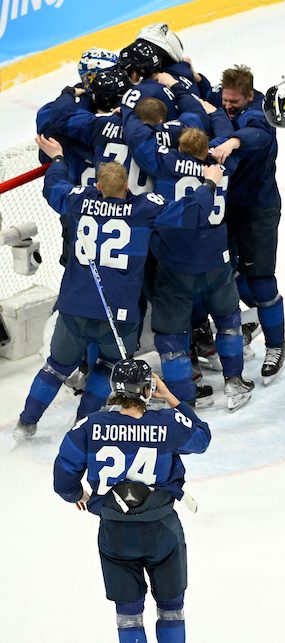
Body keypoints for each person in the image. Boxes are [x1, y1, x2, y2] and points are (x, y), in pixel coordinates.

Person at [14, 136, 220, 441]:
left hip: (75, 305)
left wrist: (57, 159)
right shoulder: (143, 208)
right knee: (107, 367)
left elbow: (53, 187)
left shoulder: (78, 200)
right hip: (120, 312)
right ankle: (82, 425)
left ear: (98, 186)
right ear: (127, 187)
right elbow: (189, 212)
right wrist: (210, 185)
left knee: (56, 367)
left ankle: (26, 424)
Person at [53, 358, 210, 643]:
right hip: (162, 531)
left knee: (128, 613)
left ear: (115, 388)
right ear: (148, 390)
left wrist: (77, 495)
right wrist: (173, 399)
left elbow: (64, 476)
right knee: (172, 609)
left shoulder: (90, 425)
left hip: (115, 533)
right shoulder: (167, 423)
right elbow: (201, 439)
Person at [122, 91, 254, 411]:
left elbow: (139, 136)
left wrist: (128, 107)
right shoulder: (223, 162)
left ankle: (183, 398)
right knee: (227, 319)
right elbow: (225, 135)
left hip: (175, 263)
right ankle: (235, 381)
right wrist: (215, 112)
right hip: (216, 261)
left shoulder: (165, 162)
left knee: (170, 335)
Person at [207, 65, 285, 384]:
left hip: (258, 210)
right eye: (225, 100)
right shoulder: (221, 97)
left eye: (234, 102)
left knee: (261, 279)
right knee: (229, 274)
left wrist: (233, 142)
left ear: (249, 96)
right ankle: (256, 320)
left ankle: (276, 344)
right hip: (228, 209)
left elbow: (257, 133)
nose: (228, 106)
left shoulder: (259, 114)